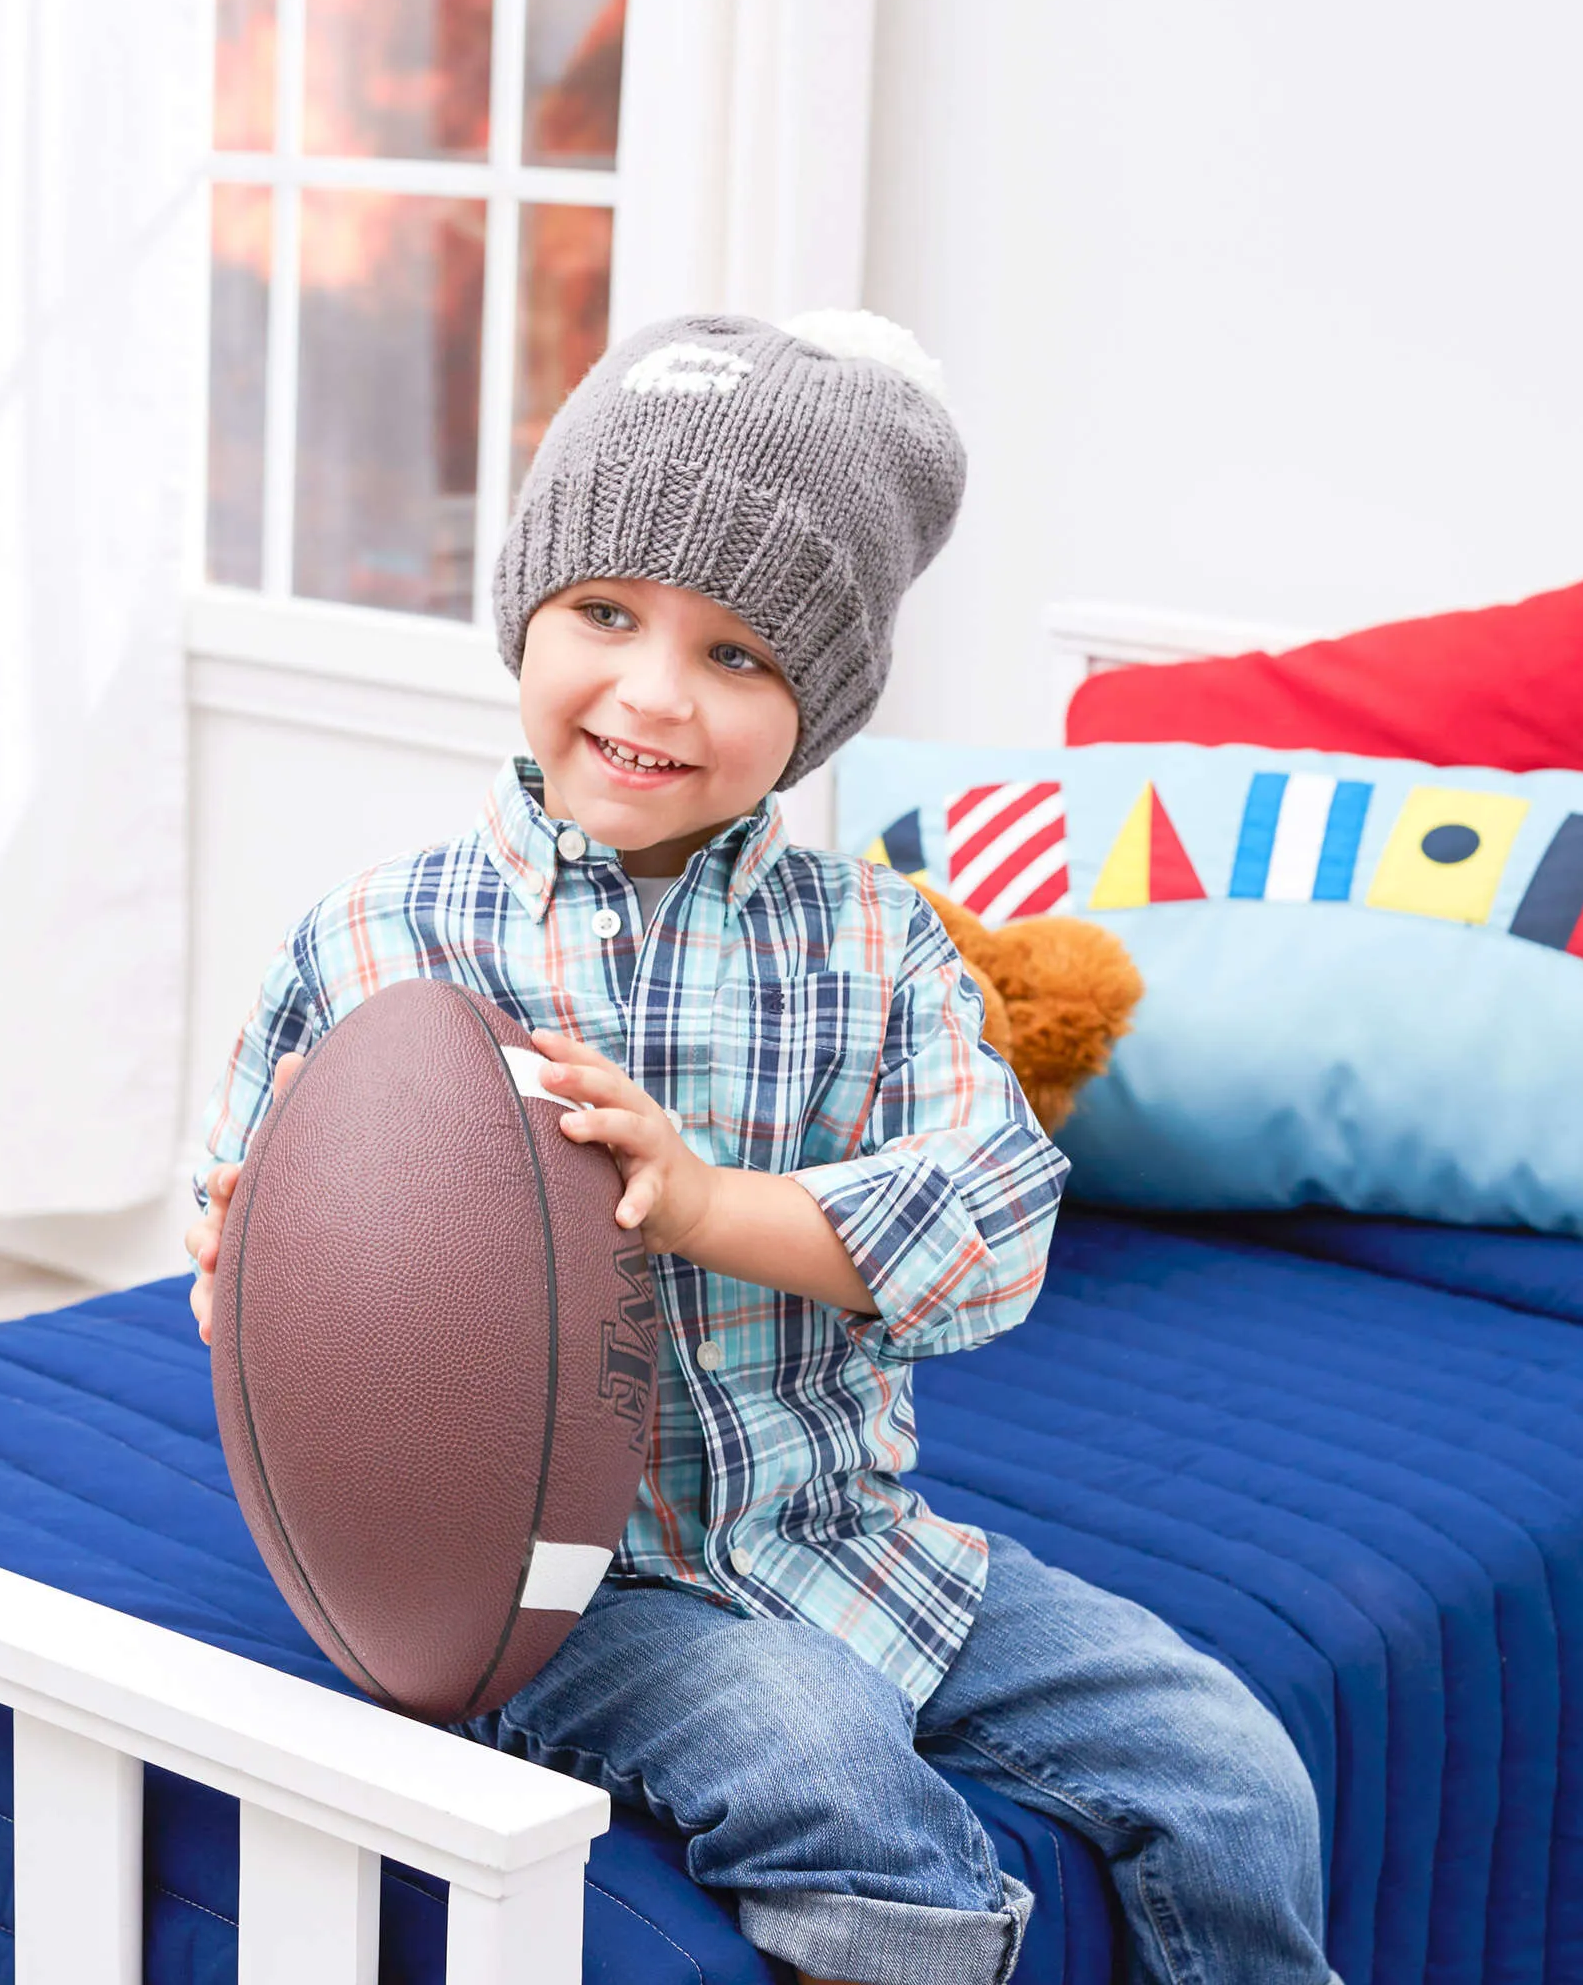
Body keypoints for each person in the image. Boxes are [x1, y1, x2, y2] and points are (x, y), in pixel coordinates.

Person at [185, 311, 1334, 1985]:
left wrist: (715, 1205)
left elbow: (995, 1221)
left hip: (856, 1534)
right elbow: (246, 1211)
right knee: (828, 1772)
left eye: (739, 656)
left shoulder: (883, 947)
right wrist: (250, 1268)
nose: (653, 693)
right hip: (561, 1587)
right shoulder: (377, 938)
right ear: (528, 611)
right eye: (604, 615)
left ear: (828, 702)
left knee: (1232, 1766)